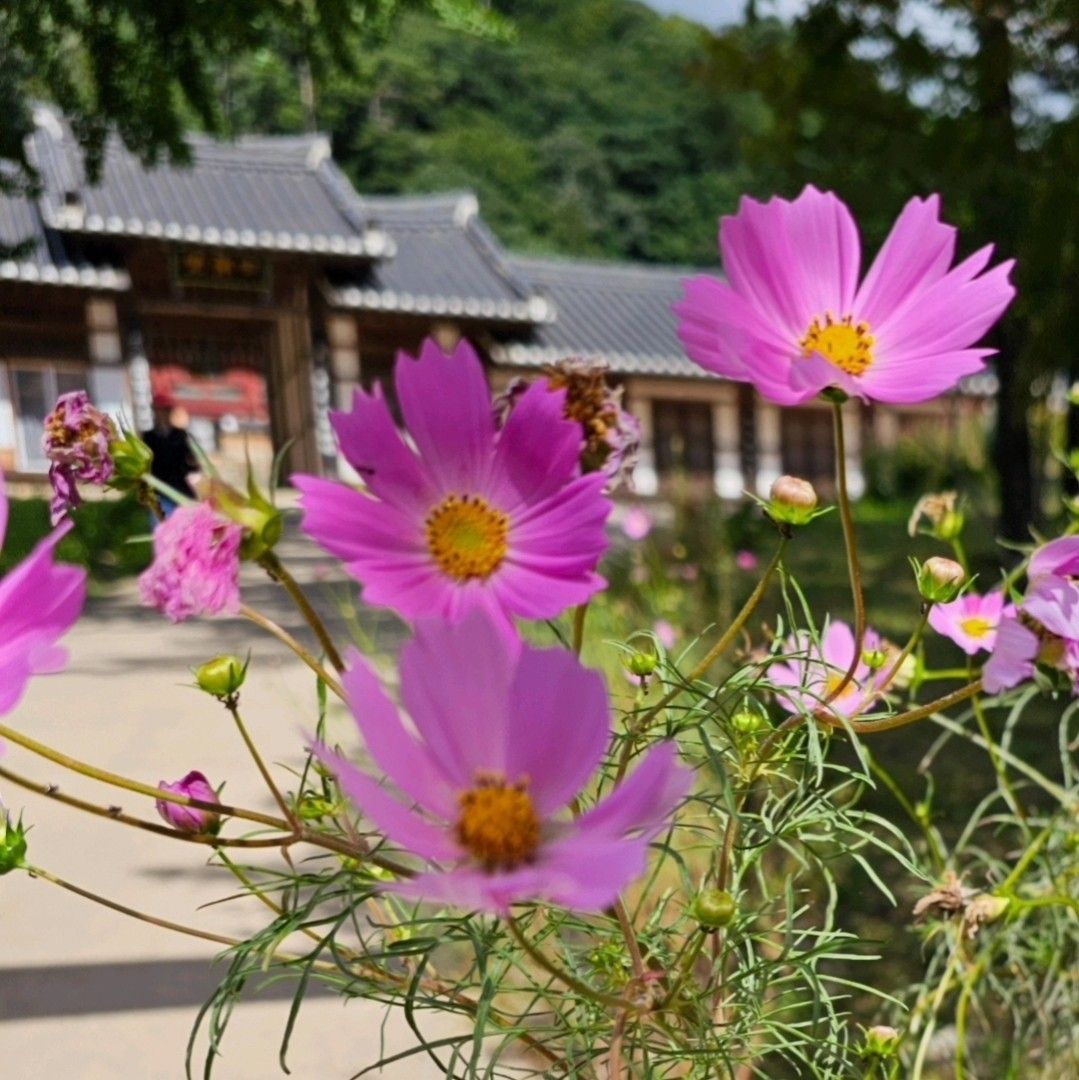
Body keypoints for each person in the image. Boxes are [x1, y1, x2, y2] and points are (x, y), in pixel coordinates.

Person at [142, 394, 198, 515]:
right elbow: (144, 468)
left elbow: (192, 463)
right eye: (159, 411)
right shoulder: (148, 437)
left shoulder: (180, 435)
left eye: (165, 411)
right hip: (158, 493)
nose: (162, 414)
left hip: (181, 490)